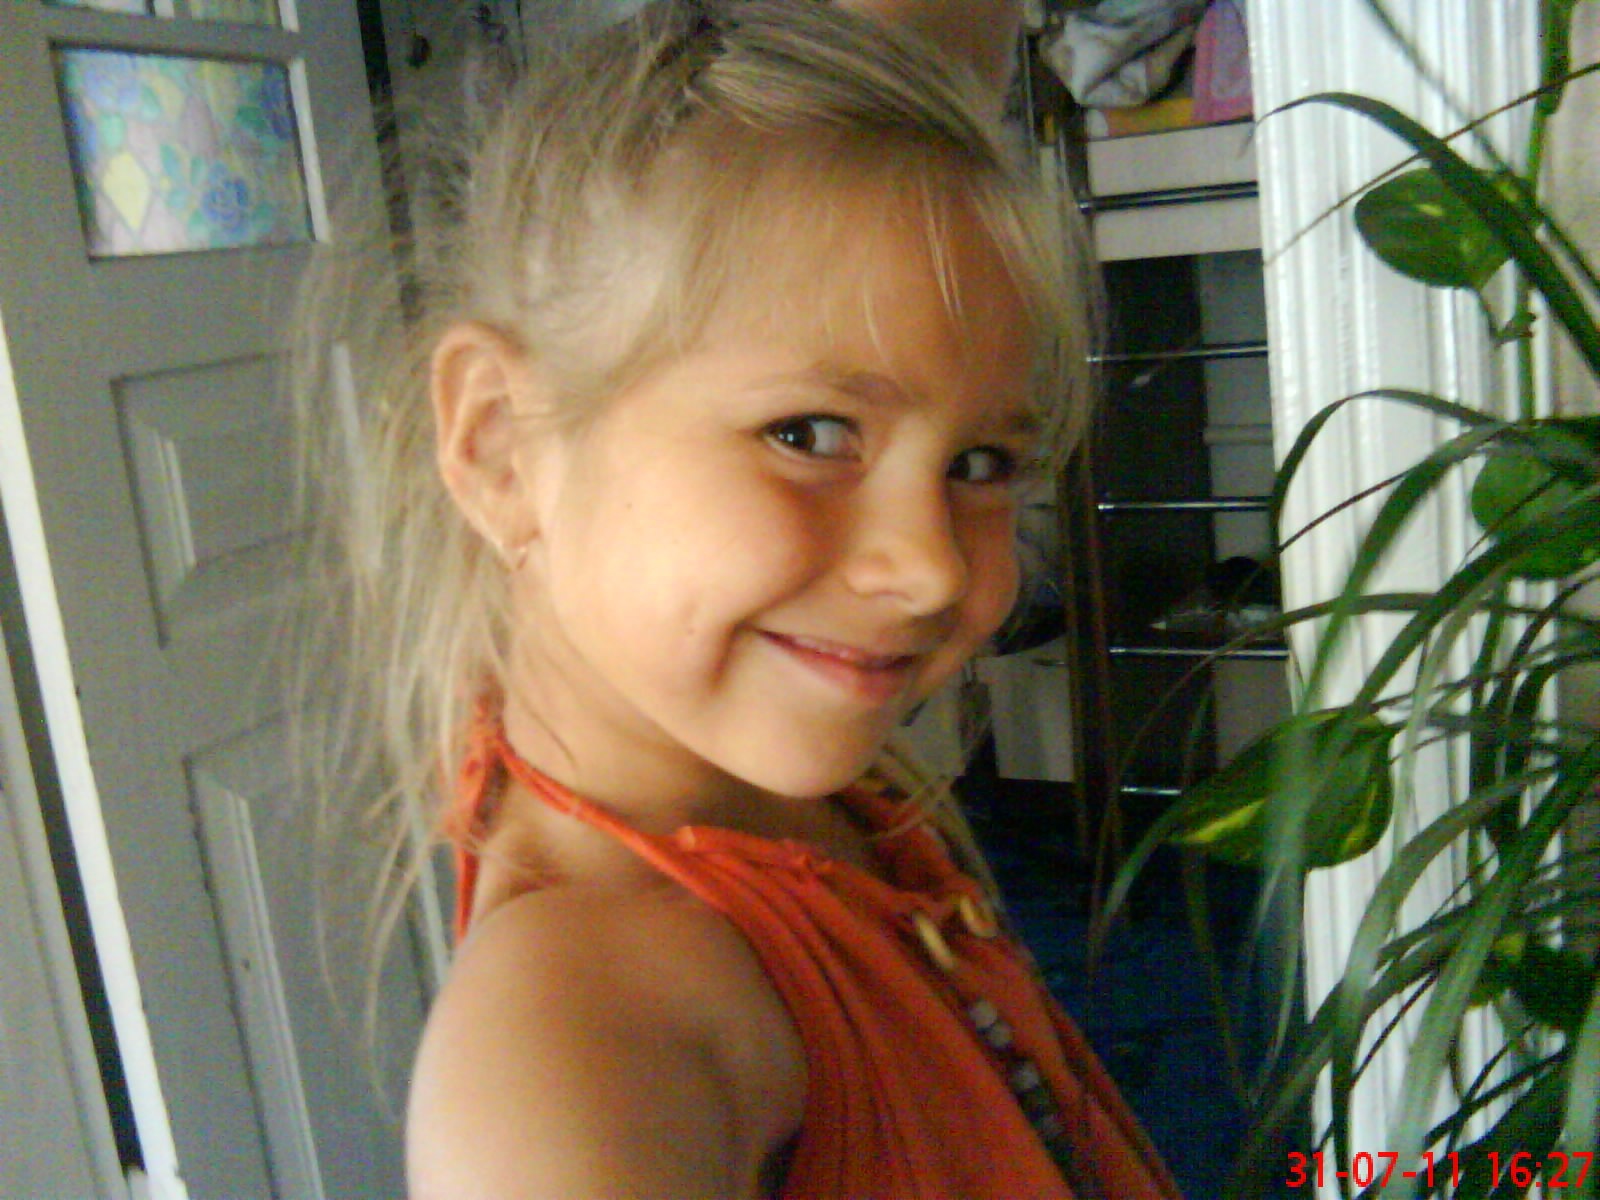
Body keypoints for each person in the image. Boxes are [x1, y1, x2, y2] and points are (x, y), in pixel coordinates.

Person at [298, 1, 1182, 1195]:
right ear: (504, 445)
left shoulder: (806, 790)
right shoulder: (577, 1037)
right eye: (809, 434)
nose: (930, 568)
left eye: (979, 464)